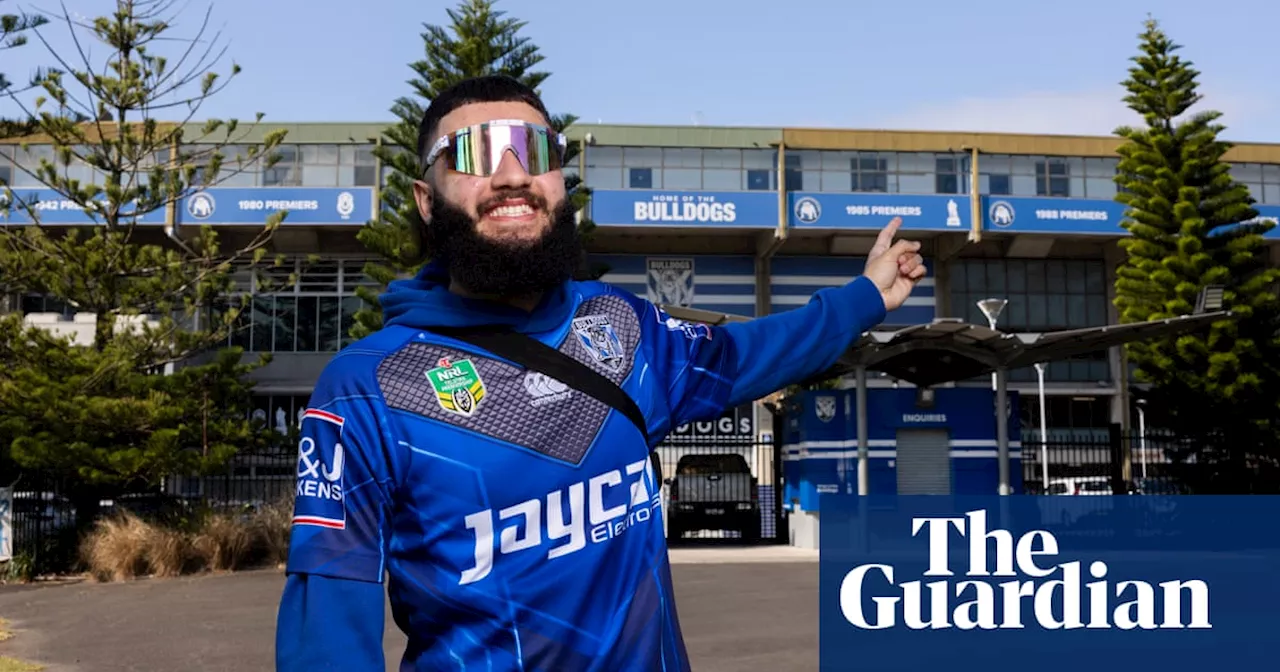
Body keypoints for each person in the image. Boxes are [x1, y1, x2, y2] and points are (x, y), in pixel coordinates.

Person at [274, 74, 925, 672]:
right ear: (425, 197)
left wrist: (865, 295)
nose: (511, 175)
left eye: (536, 151)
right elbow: (325, 633)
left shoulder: (625, 330)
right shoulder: (368, 388)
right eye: (472, 152)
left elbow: (749, 354)